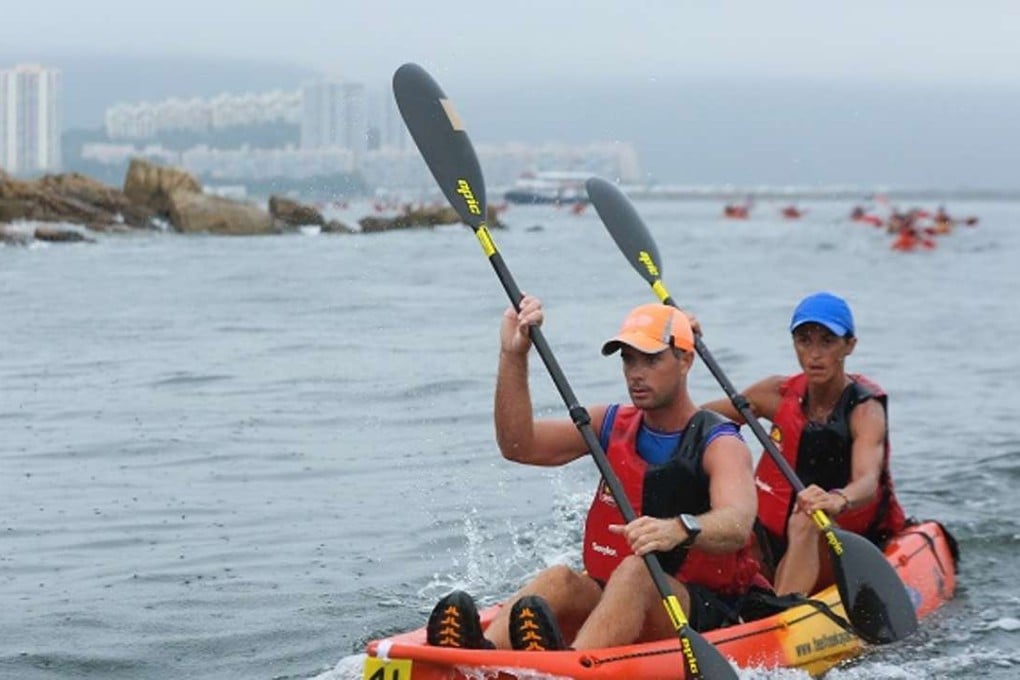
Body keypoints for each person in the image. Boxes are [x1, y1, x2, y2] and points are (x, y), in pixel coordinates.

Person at [425, 297, 763, 652]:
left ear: (685, 361)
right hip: (620, 598)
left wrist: (677, 529)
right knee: (560, 578)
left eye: (651, 359)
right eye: (629, 359)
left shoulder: (720, 441)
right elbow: (518, 445)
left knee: (637, 571)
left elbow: (737, 524)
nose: (636, 372)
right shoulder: (608, 424)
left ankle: (570, 668)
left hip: (702, 610)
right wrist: (514, 355)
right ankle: (477, 656)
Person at [700, 292, 908, 597]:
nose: (814, 354)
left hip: (843, 541)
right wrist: (681, 351)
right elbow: (691, 422)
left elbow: (867, 481)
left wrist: (838, 499)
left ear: (849, 345)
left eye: (827, 341)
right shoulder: (773, 394)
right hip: (771, 539)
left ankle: (778, 619)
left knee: (806, 518)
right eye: (804, 340)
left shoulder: (865, 411)